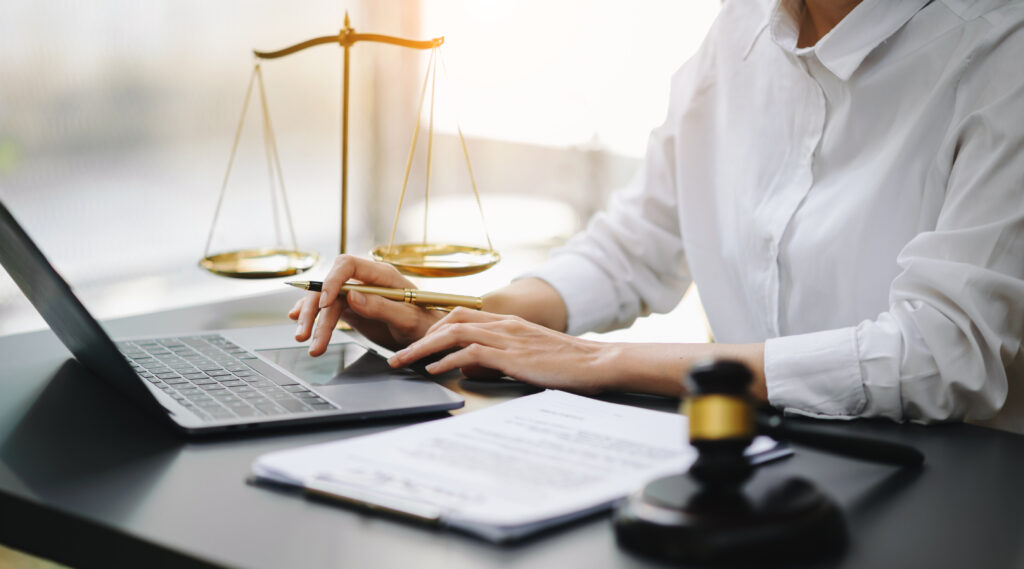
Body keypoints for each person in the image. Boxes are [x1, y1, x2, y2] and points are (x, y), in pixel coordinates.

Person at [290, 0, 1024, 432]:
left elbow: (945, 354)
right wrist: (455, 314)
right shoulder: (740, 33)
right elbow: (633, 245)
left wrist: (598, 362)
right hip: (743, 456)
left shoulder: (999, 51)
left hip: (946, 489)